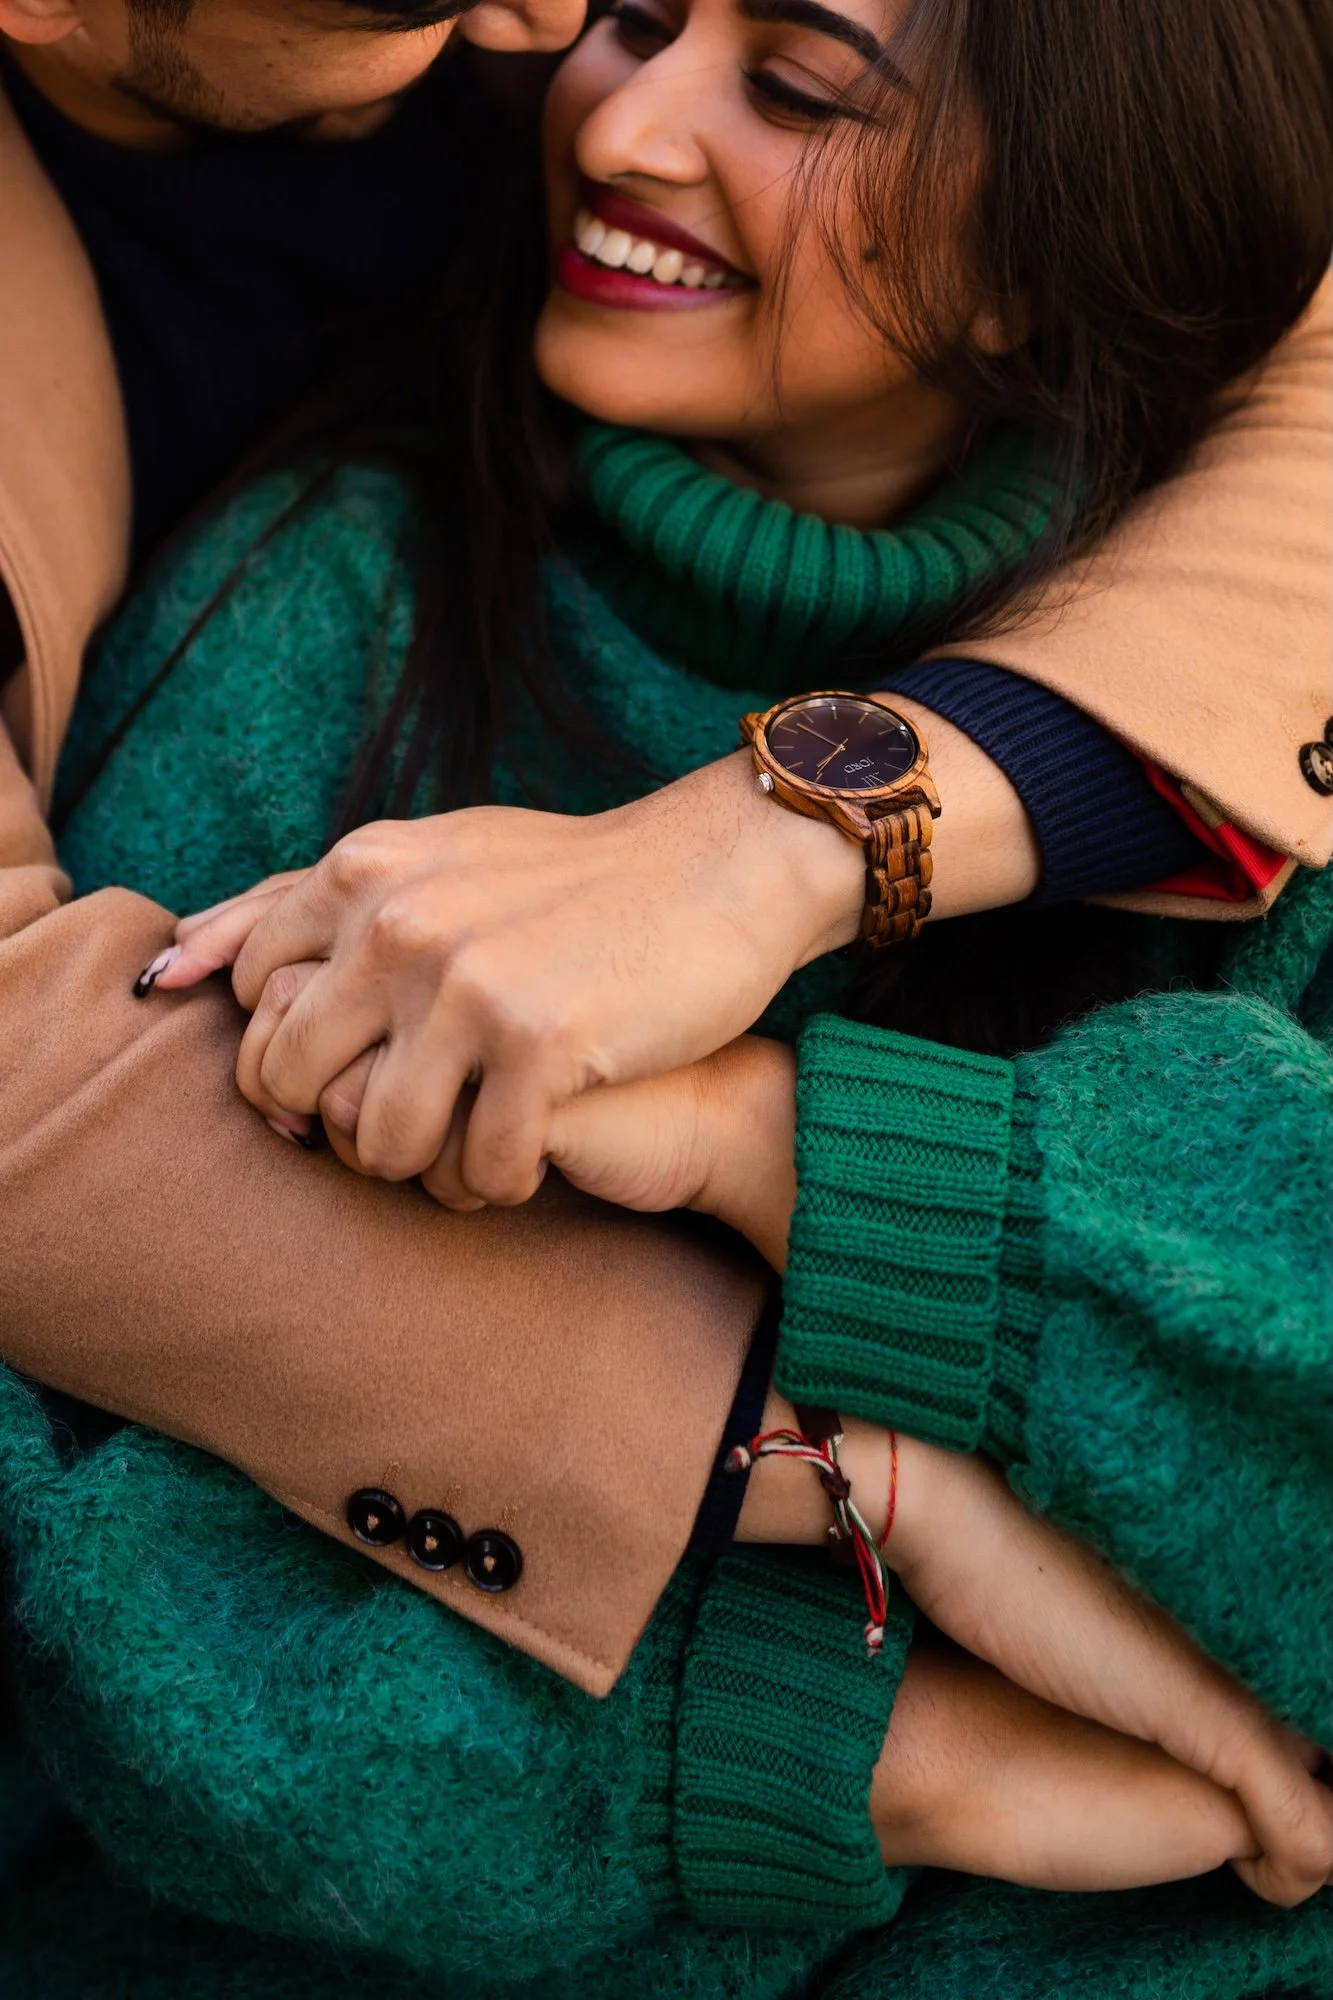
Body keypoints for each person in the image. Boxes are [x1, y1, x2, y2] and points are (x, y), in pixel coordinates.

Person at [5, 0, 1328, 1990]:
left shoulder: (1243, 677)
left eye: (793, 85)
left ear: (1057, 243)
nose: (587, 83)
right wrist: (823, 1719)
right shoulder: (316, 626)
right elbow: (89, 1549)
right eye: (638, 24)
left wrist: (789, 1104)